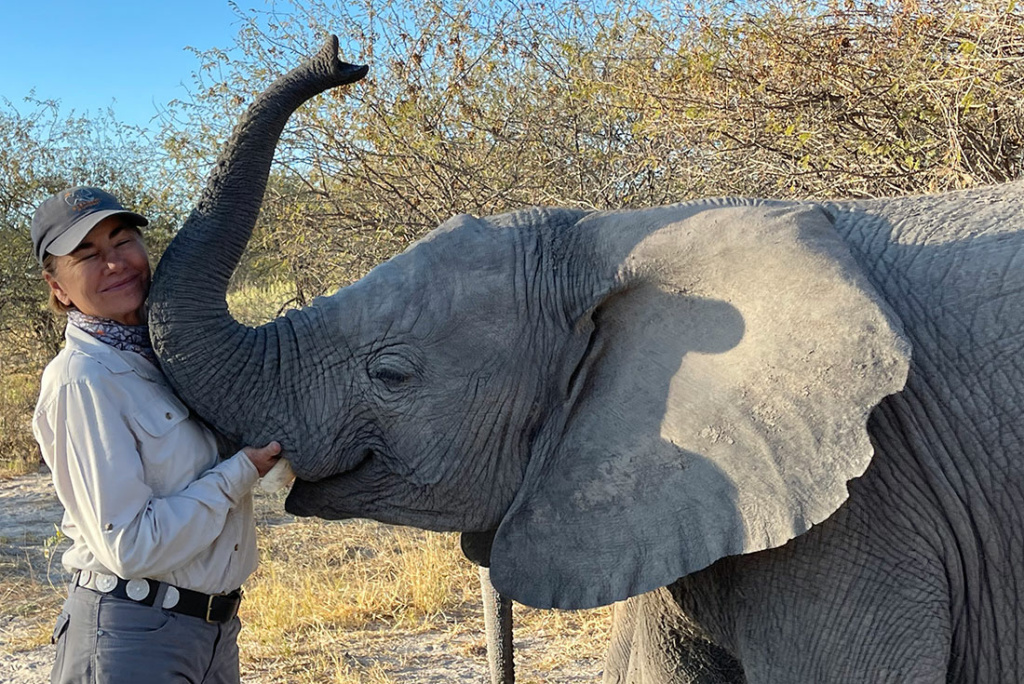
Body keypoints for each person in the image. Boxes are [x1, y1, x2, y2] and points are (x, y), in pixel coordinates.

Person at [30, 186, 282, 684]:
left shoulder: (168, 358)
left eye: (122, 241)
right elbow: (131, 546)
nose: (114, 263)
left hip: (214, 632)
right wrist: (239, 473)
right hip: (131, 637)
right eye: (87, 255)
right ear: (57, 288)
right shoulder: (83, 381)